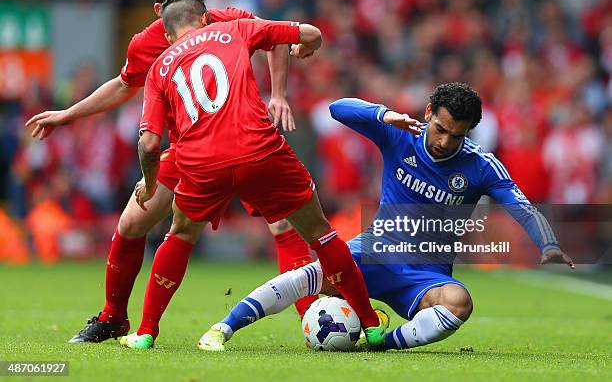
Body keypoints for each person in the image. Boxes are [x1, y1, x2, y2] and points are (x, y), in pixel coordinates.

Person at [25, 0, 316, 343]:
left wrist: (278, 93)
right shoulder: (151, 41)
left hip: (238, 135)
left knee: (276, 224)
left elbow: (277, 36)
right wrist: (69, 113)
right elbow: (123, 84)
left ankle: (310, 317)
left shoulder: (228, 19)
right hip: (190, 149)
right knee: (133, 223)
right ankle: (115, 318)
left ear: (159, 7)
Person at [198, 82, 575, 351]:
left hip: (425, 275)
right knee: (307, 276)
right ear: (428, 113)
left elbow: (520, 205)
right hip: (372, 253)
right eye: (440, 128)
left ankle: (379, 345)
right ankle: (223, 328)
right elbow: (338, 108)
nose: (444, 141)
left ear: (469, 133)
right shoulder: (401, 134)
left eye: (455, 136)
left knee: (460, 302)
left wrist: (549, 243)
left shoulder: (480, 165)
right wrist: (385, 114)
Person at [118, 0, 386, 350]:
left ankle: (146, 332)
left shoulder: (159, 68)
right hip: (259, 149)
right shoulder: (236, 28)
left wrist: (150, 184)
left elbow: (149, 144)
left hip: (201, 162)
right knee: (320, 233)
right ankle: (370, 325)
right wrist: (304, 47)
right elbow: (310, 33)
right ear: (203, 19)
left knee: (179, 236)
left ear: (167, 35)